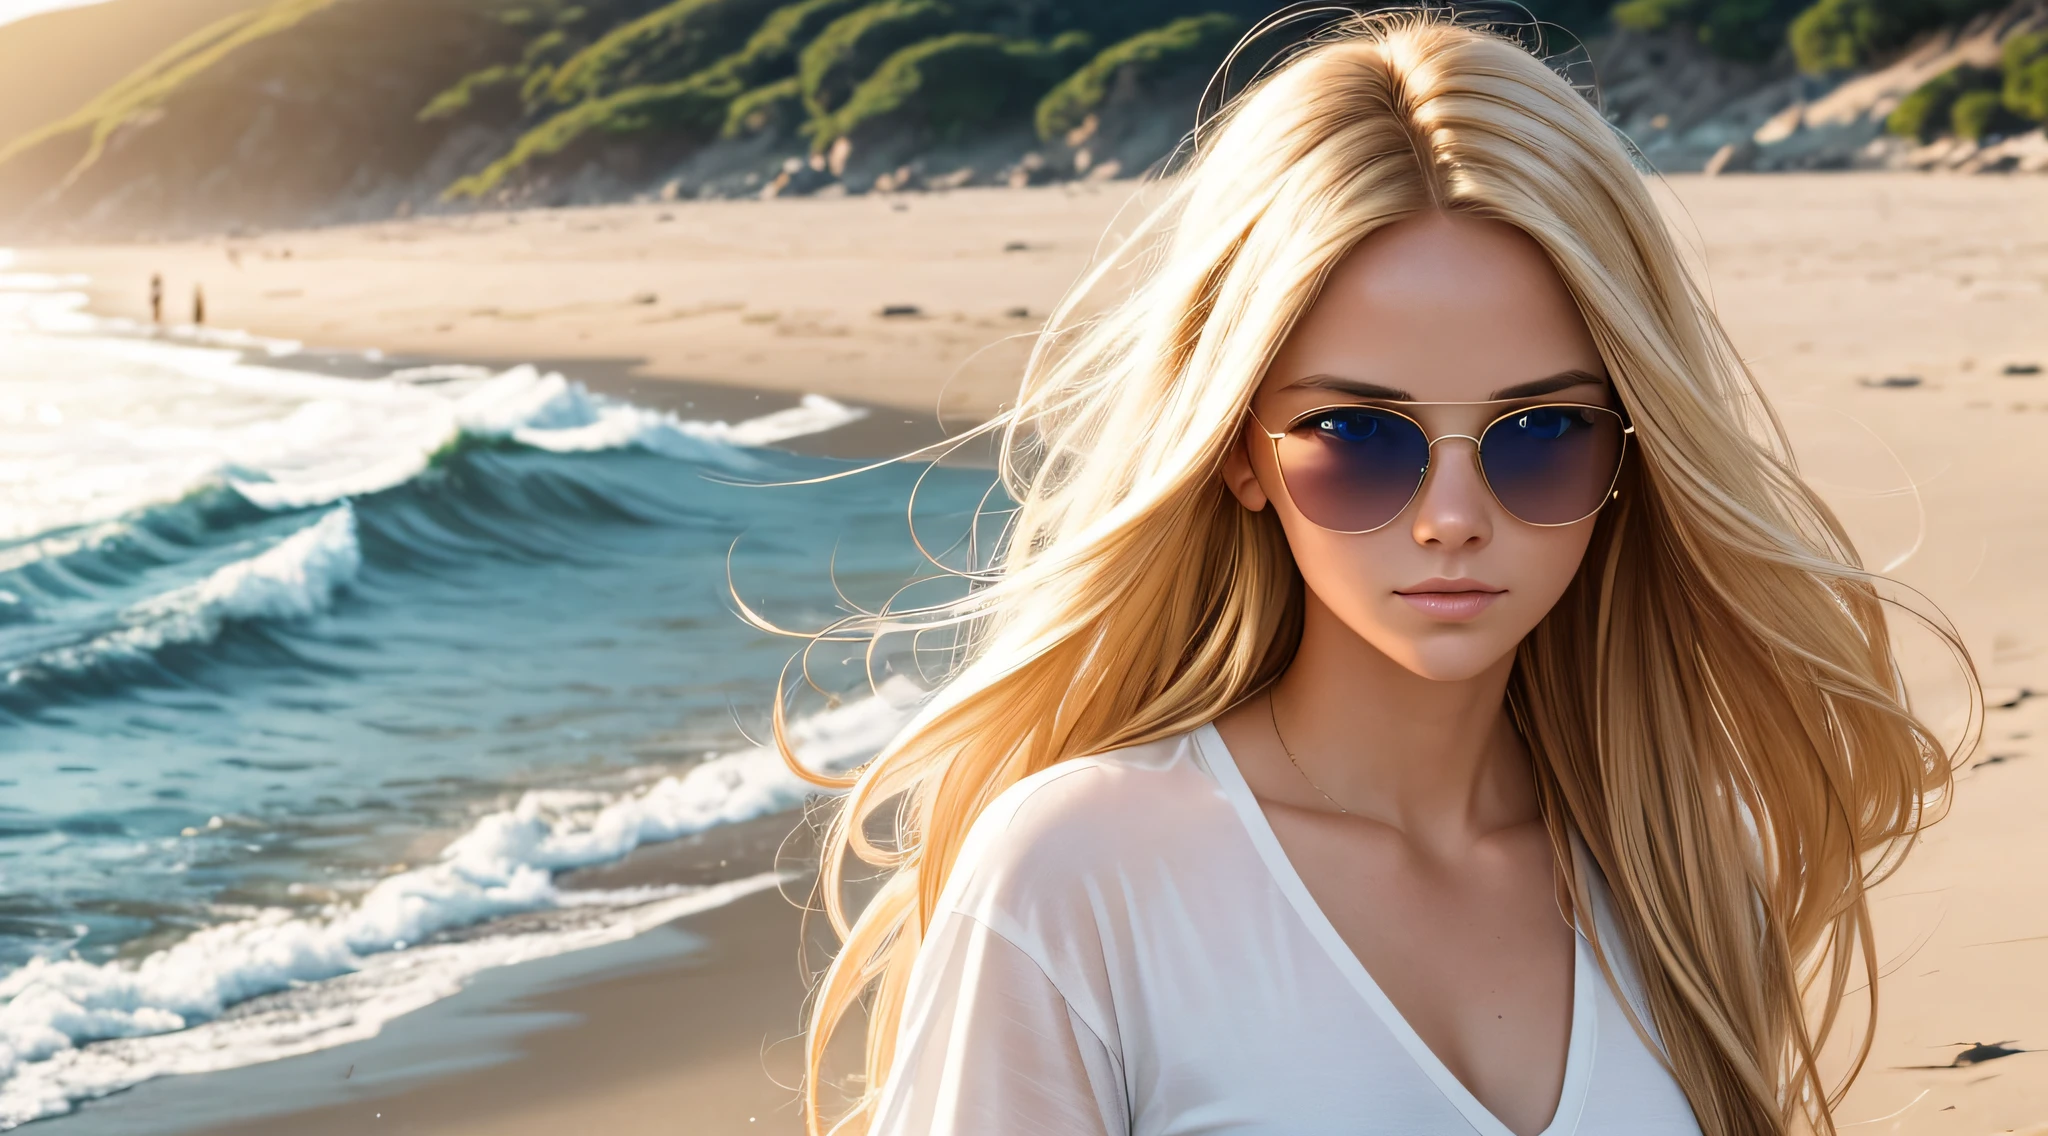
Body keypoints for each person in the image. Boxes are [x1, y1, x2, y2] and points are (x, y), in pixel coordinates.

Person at [775, 12, 1976, 1136]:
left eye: (1540, 433)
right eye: (1357, 436)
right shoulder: (1079, 876)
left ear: (1630, 449)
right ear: (1239, 448)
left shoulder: (1677, 864)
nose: (1452, 517)